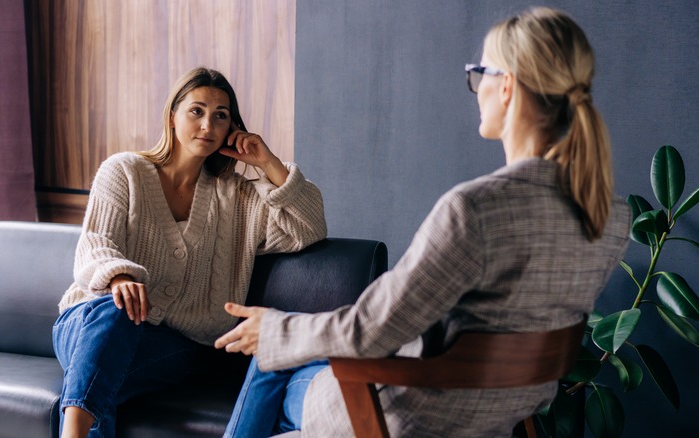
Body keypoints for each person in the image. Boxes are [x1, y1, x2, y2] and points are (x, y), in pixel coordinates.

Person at [214, 7, 632, 437]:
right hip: (490, 419)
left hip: (403, 418)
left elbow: (368, 331)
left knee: (272, 361)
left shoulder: (476, 210)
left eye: (480, 72)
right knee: (285, 351)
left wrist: (276, 328)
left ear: (506, 86)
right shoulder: (609, 217)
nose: (476, 88)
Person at [51, 66, 327, 438]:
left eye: (221, 116)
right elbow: (96, 242)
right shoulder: (124, 170)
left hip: (173, 347)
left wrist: (268, 163)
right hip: (88, 322)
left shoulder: (238, 197)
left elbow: (308, 227)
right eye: (196, 111)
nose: (207, 125)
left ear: (232, 128)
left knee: (104, 378)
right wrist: (119, 276)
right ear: (172, 116)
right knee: (115, 314)